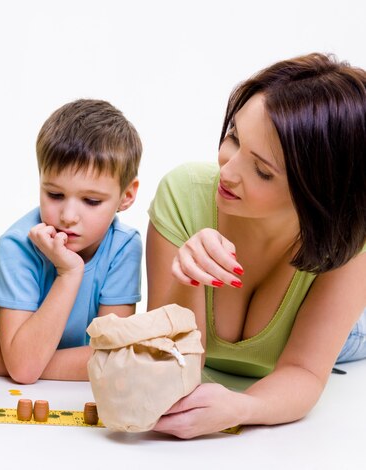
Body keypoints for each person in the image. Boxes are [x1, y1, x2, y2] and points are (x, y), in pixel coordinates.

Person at [146, 53, 366, 438]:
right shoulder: (183, 196)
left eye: (262, 170)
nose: (226, 171)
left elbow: (305, 371)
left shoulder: (346, 242)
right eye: (233, 137)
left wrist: (242, 407)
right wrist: (189, 276)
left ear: (317, 193)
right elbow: (167, 362)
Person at [0, 99, 143, 383]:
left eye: (91, 201)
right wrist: (69, 273)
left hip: (25, 341)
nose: (68, 217)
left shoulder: (125, 246)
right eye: (55, 195)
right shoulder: (16, 246)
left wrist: (1, 361)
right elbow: (24, 369)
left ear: (127, 196)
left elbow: (115, 358)